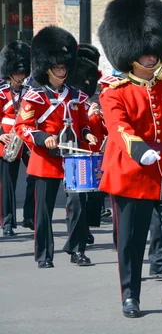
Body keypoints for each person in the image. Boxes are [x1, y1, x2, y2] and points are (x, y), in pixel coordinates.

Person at [97, 0, 162, 317]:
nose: (151, 57)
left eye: (153, 51)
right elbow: (119, 128)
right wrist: (141, 151)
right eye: (144, 52)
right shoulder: (114, 93)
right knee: (130, 240)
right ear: (129, 54)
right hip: (132, 171)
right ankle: (131, 295)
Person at [14, 26, 97, 268]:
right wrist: (42, 138)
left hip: (72, 158)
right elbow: (23, 126)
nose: (62, 71)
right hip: (46, 158)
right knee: (44, 211)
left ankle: (77, 249)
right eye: (58, 67)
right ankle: (44, 254)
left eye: (64, 67)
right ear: (48, 68)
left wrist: (88, 133)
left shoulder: (76, 95)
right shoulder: (35, 97)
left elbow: (82, 123)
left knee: (78, 206)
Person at [66, 43, 107, 247]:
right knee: (77, 200)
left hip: (96, 150)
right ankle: (78, 238)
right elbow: (70, 124)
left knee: (94, 196)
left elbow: (108, 126)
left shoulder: (98, 93)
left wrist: (100, 117)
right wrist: (90, 119)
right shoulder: (70, 96)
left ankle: (86, 229)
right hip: (76, 152)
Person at [0, 40, 30, 236]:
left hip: (25, 139)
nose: (20, 76)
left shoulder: (29, 93)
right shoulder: (2, 92)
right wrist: (1, 135)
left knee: (36, 177)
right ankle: (8, 222)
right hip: (8, 140)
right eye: (17, 73)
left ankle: (30, 216)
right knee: (8, 183)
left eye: (22, 73)